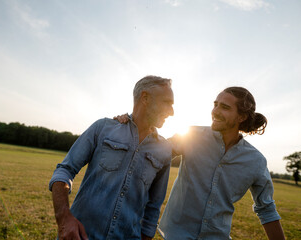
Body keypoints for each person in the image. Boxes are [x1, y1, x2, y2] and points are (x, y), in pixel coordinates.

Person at [115, 86, 285, 239]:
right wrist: (130, 124)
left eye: (224, 107)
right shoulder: (192, 135)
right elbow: (150, 150)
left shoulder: (256, 161)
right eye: (215, 104)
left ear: (242, 116)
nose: (215, 111)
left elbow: (267, 209)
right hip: (176, 236)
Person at [49, 75, 174, 240]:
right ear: (145, 98)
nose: (172, 112)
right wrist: (64, 218)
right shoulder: (103, 128)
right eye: (167, 103)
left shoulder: (164, 150)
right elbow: (65, 170)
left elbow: (153, 208)